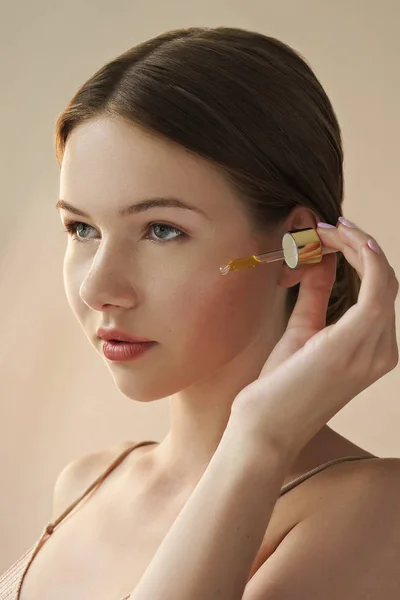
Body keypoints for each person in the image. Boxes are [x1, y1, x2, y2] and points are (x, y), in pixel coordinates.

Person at [1, 25, 399, 600]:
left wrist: (258, 441)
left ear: (298, 245)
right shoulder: (88, 483)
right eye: (81, 228)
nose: (98, 287)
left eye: (162, 230)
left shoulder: (373, 511)